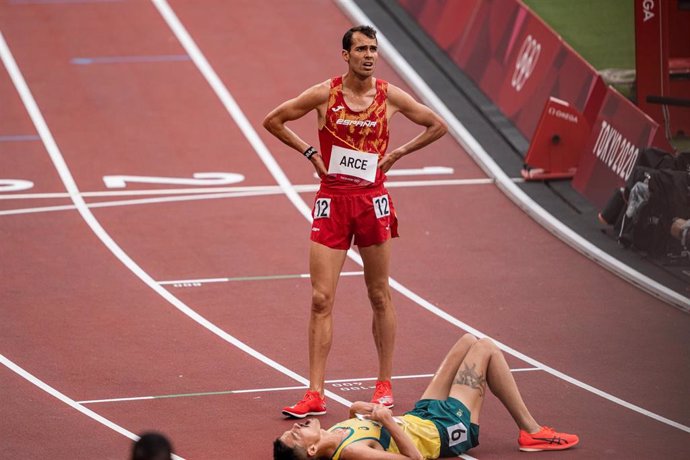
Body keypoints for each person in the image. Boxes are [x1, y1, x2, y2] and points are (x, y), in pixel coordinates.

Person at [263, 25, 447, 418]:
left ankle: (384, 385)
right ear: (345, 55)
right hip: (332, 200)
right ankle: (315, 392)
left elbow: (437, 126)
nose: (368, 55)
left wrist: (396, 154)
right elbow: (274, 120)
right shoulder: (324, 94)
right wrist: (309, 150)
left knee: (379, 294)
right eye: (361, 49)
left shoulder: (389, 96)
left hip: (372, 201)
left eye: (373, 49)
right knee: (320, 298)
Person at [274, 333, 579, 459]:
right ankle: (532, 431)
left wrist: (357, 408)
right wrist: (389, 422)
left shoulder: (334, 432)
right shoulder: (353, 453)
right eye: (296, 434)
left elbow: (367, 427)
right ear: (312, 450)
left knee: (467, 341)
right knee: (485, 347)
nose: (297, 426)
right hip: (444, 431)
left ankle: (527, 428)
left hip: (419, 418)